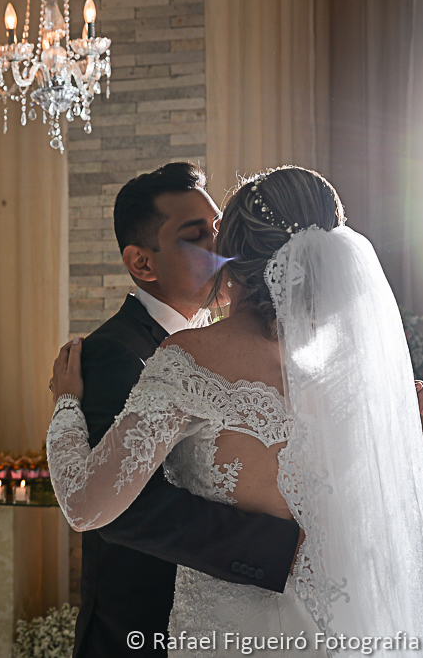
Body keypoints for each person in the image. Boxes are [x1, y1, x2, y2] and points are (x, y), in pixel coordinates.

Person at [49, 165, 423, 656]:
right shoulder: (354, 368)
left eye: (216, 235)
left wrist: (64, 407)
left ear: (236, 255)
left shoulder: (190, 358)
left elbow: (84, 503)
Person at [55, 162, 302, 657]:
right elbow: (124, 513)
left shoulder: (251, 345)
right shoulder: (114, 352)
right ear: (143, 263)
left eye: (221, 230)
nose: (223, 248)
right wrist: (273, 548)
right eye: (198, 237)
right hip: (142, 626)